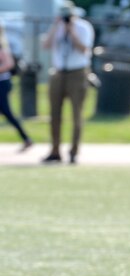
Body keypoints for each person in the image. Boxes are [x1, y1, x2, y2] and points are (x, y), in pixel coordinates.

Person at [40, 0, 94, 165]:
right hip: (58, 73)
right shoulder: (56, 27)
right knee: (55, 114)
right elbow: (46, 45)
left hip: (77, 73)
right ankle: (55, 150)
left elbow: (83, 49)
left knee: (76, 114)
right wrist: (56, 27)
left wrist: (71, 31)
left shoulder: (83, 27)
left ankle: (74, 151)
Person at [0, 24, 32, 152]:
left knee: (7, 112)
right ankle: (26, 138)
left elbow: (9, 64)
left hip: (2, 83)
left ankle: (26, 138)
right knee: (6, 112)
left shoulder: (2, 46)